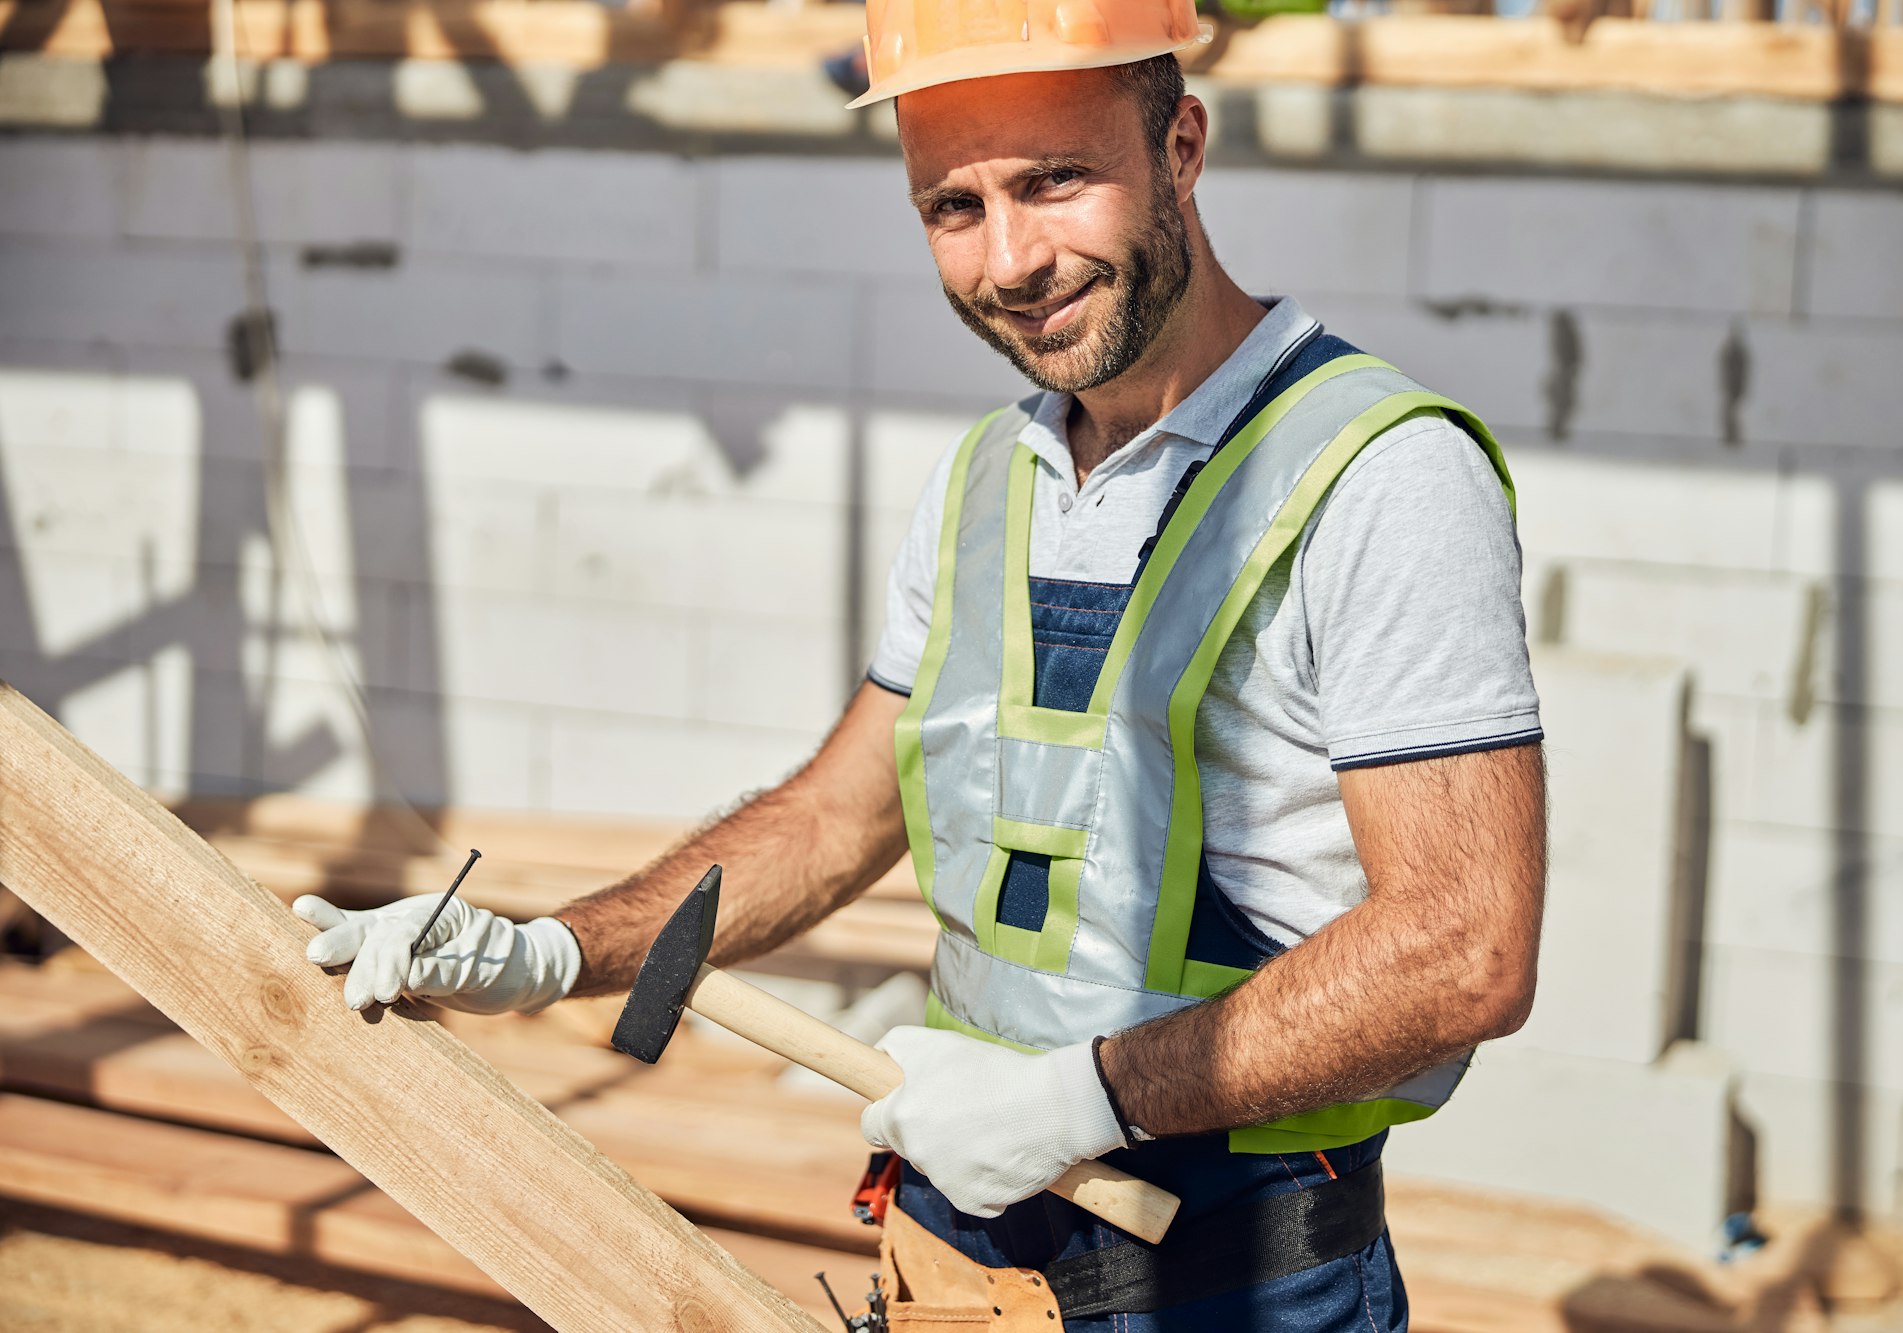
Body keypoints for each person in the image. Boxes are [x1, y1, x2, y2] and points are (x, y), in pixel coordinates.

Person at [295, 1, 1548, 1324]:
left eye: (1055, 182)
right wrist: (550, 948)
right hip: (963, 1268)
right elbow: (840, 813)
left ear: (1181, 145)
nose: (1012, 259)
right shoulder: (989, 478)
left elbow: (1463, 945)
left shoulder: (1382, 475)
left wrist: (1085, 1097)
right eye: (953, 208)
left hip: (1236, 1282)